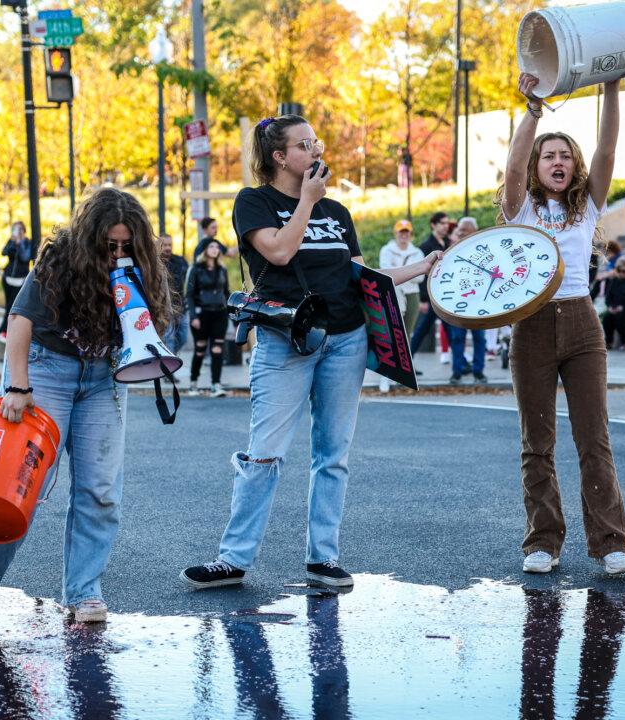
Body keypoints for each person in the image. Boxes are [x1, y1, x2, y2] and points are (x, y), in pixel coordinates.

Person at [180, 114, 441, 590]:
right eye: (305, 145)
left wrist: (423, 266)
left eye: (316, 142)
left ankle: (323, 558)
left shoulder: (336, 212)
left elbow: (362, 279)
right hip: (286, 341)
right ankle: (233, 558)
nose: (316, 151)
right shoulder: (253, 202)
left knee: (333, 453)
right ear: (280, 157)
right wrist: (305, 203)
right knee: (265, 453)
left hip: (344, 340)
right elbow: (278, 252)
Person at [0, 187, 172, 624]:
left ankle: (83, 591)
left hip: (103, 376)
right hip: (45, 368)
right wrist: (17, 387)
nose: (116, 252)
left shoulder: (139, 268)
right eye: (109, 245)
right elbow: (20, 320)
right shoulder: (60, 258)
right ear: (91, 237)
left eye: (125, 245)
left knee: (100, 491)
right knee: (24, 485)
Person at [499, 72, 625, 576]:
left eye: (565, 155)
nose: (558, 161)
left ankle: (611, 543)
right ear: (537, 166)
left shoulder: (586, 206)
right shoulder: (522, 208)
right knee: (537, 442)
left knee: (593, 439)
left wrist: (612, 88)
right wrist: (533, 109)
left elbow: (608, 149)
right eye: (548, 155)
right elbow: (512, 164)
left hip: (582, 322)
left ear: (574, 166)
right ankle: (543, 542)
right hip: (531, 325)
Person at [377, 218, 425, 392]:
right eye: (401, 232)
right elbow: (386, 274)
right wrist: (409, 272)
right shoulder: (387, 250)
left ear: (411, 234)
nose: (404, 235)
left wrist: (401, 274)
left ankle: (401, 374)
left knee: (407, 333)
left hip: (412, 295)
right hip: (392, 293)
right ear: (396, 233)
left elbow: (421, 277)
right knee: (390, 332)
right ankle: (386, 375)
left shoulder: (417, 252)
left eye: (407, 232)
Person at [185, 239, 230, 397]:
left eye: (217, 246)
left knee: (217, 349)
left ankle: (216, 385)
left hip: (220, 314)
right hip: (202, 315)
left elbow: (227, 293)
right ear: (204, 250)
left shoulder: (222, 269)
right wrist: (193, 316)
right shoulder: (195, 269)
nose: (215, 249)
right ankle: (193, 383)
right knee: (200, 350)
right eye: (211, 246)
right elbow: (189, 295)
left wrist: (235, 315)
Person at [445, 217, 487, 384]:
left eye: (465, 229)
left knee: (479, 339)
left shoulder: (484, 251)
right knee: (457, 339)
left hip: (478, 303)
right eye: (460, 229)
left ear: (474, 232)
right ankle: (457, 372)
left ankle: (479, 372)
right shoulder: (451, 250)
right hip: (458, 304)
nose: (460, 232)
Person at [408, 211, 452, 360]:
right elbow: (420, 273)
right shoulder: (426, 246)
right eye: (442, 223)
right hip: (432, 296)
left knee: (447, 329)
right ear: (433, 225)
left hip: (445, 295)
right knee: (422, 330)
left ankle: (460, 362)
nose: (446, 226)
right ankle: (409, 358)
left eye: (447, 223)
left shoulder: (447, 243)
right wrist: (423, 299)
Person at [0, 221, 34, 339]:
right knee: (8, 306)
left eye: (19, 229)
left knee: (15, 307)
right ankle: (5, 331)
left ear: (23, 230)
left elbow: (26, 257)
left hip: (21, 279)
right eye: (15, 229)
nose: (17, 232)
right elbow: (3, 252)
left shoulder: (28, 243)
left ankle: (10, 330)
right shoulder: (11, 241)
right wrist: (13, 242)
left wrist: (20, 243)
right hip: (8, 278)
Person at [159, 234, 190, 358]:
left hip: (181, 305)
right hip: (164, 306)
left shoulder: (180, 261)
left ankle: (169, 358)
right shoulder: (155, 263)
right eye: (164, 245)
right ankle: (170, 371)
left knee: (183, 337)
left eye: (169, 245)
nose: (167, 247)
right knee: (169, 338)